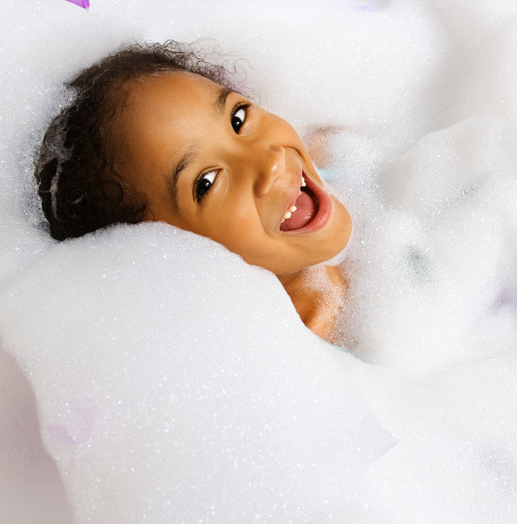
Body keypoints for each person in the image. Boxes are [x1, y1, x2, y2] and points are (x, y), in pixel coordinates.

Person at [35, 41, 353, 342]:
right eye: (206, 183)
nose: (270, 162)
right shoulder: (306, 364)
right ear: (168, 253)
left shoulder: (345, 156)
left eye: (237, 118)